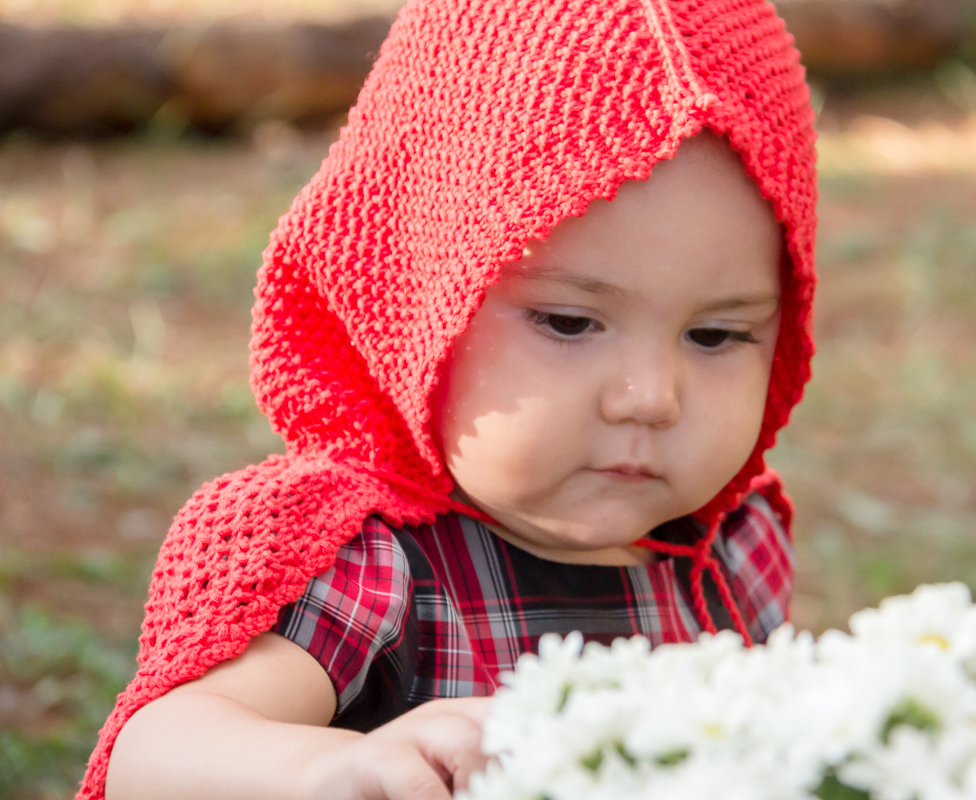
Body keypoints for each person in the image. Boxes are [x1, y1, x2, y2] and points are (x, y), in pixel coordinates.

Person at [84, 0, 818, 798]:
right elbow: (153, 756)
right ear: (418, 298)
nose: (649, 399)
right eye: (569, 322)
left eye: (715, 336)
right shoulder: (366, 563)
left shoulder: (732, 551)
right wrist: (329, 767)